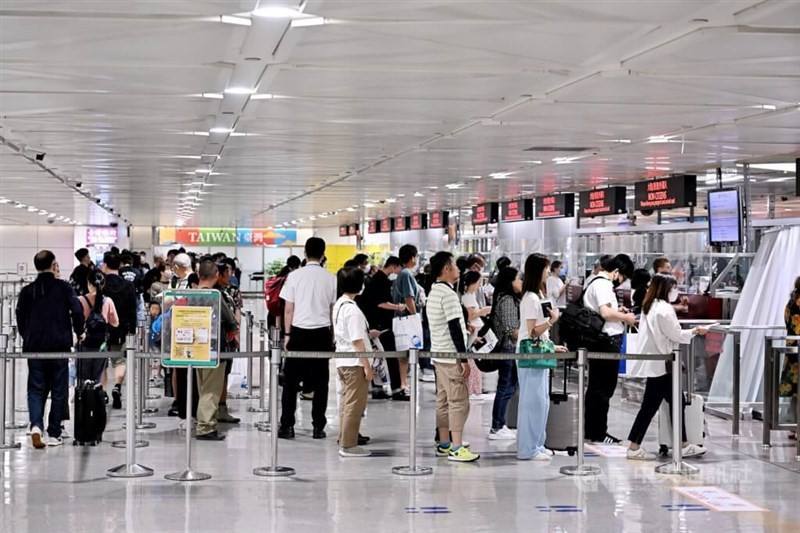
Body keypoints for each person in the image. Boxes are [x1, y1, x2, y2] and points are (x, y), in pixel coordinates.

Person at [626, 274, 708, 459]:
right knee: (651, 407)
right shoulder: (664, 309)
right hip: (663, 365)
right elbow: (676, 334)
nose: (675, 291)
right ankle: (634, 447)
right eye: (674, 287)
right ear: (666, 289)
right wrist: (696, 331)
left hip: (659, 363)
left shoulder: (651, 306)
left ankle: (683, 443)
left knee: (674, 402)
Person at [16, 250, 84, 448]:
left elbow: (20, 316)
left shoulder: (28, 291)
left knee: (36, 388)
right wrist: (79, 331)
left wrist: (27, 336)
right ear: (53, 264)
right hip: (59, 345)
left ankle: (36, 425)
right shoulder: (63, 287)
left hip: (35, 346)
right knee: (58, 388)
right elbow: (77, 310)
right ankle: (54, 432)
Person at [278, 237, 337, 440]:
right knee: (321, 383)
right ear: (323, 253)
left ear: (305, 253)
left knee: (291, 383)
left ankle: (287, 425)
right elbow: (332, 310)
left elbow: (288, 309)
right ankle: (318, 427)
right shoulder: (331, 278)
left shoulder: (294, 277)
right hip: (321, 333)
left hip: (298, 333)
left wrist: (287, 335)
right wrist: (332, 335)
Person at [427, 251, 480, 463]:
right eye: (456, 267)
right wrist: (463, 358)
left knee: (443, 401)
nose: (459, 270)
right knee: (458, 401)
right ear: (447, 269)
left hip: (438, 354)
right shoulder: (448, 295)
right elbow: (454, 330)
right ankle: (457, 447)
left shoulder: (434, 292)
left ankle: (444, 442)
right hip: (451, 357)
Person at [516, 254, 568, 460]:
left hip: (539, 352)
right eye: (546, 268)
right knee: (532, 402)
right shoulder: (530, 298)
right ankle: (527, 448)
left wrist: (551, 345)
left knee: (541, 402)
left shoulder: (536, 295)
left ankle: (537, 444)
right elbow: (531, 332)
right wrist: (551, 321)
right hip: (530, 356)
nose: (549, 272)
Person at [583, 254, 636, 444]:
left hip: (600, 340)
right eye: (621, 278)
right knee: (603, 388)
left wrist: (618, 312)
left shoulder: (594, 281)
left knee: (597, 387)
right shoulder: (603, 284)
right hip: (605, 341)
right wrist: (626, 318)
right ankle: (598, 432)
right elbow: (605, 313)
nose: (620, 282)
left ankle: (591, 431)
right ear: (616, 272)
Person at [333, 267, 379, 457]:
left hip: (344, 360)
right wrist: (367, 367)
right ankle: (349, 444)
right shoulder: (352, 310)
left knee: (347, 402)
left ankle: (344, 438)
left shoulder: (340, 304)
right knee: (355, 404)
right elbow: (357, 341)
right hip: (355, 363)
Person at [191, 260, 237, 441]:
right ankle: (206, 427)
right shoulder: (215, 295)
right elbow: (231, 321)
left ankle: (203, 421)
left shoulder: (191, 294)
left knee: (203, 387)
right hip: (214, 348)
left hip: (195, 347)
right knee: (211, 389)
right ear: (216, 274)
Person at [356, 256, 405, 399]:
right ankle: (396, 389)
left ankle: (378, 389)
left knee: (377, 357)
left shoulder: (377, 278)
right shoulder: (381, 280)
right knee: (391, 355)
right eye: (399, 268)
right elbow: (380, 303)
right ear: (394, 266)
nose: (399, 271)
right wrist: (397, 307)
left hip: (374, 323)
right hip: (380, 325)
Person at [487, 266, 522, 440]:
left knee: (508, 386)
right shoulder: (507, 300)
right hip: (508, 348)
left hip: (510, 348)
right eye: (518, 279)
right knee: (505, 387)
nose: (521, 282)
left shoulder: (506, 298)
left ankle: (499, 424)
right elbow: (511, 329)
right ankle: (497, 426)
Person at [102, 251, 138, 410]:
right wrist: (132, 329)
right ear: (120, 266)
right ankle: (117, 386)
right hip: (121, 329)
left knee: (101, 362)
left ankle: (102, 391)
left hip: (101, 329)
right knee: (120, 361)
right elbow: (133, 309)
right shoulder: (128, 286)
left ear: (104, 265)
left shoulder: (100, 284)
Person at [391, 244, 422, 399]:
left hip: (402, 318)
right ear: (411, 257)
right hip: (407, 319)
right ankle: (403, 383)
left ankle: (404, 382)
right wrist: (415, 316)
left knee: (404, 353)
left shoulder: (402, 274)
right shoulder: (406, 274)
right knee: (404, 353)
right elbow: (409, 298)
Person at [78, 270, 120, 385]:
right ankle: (97, 400)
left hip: (84, 344)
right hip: (101, 345)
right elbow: (116, 323)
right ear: (103, 284)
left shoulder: (81, 300)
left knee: (83, 377)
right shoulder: (108, 301)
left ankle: (83, 400)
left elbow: (76, 322)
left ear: (89, 284)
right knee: (99, 376)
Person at [215, 261, 242, 425]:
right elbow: (230, 316)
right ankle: (217, 409)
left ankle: (221, 408)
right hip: (222, 340)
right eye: (228, 273)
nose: (231, 276)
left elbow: (236, 312)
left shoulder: (228, 292)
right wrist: (234, 330)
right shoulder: (218, 293)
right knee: (220, 375)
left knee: (224, 374)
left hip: (227, 339)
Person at [460, 271, 489, 397]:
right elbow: (471, 315)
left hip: (476, 329)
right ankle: (472, 390)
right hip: (473, 329)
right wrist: (484, 311)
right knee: (473, 362)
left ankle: (475, 389)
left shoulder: (470, 296)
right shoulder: (468, 297)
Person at [779, 276, 800, 440]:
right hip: (798, 350)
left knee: (795, 390)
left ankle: (793, 425)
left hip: (792, 349)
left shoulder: (791, 302)